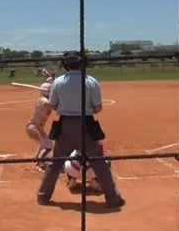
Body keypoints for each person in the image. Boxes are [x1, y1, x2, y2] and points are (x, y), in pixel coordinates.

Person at [37, 51, 125, 208]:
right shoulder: (91, 81)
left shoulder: (58, 83)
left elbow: (52, 106)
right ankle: (112, 198)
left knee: (56, 163)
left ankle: (43, 196)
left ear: (64, 65)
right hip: (87, 125)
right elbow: (98, 109)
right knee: (99, 163)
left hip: (65, 126)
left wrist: (64, 104)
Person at [26, 82, 54, 171]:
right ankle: (38, 164)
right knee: (49, 144)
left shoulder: (44, 99)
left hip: (37, 127)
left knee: (44, 143)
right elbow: (53, 106)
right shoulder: (43, 101)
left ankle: (38, 159)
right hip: (33, 127)